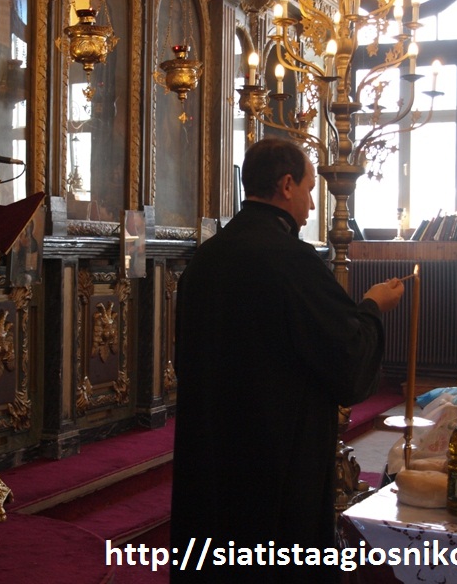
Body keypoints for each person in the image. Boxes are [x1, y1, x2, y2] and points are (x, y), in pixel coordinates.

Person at [170, 138, 404, 583]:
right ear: (287, 185)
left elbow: (186, 359)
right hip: (274, 457)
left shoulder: (206, 258)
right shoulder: (292, 260)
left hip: (212, 448)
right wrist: (373, 308)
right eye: (311, 189)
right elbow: (346, 356)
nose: (312, 204)